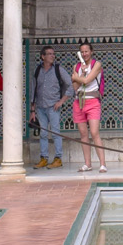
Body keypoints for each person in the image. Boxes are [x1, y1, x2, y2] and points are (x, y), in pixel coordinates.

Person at [71, 41, 108, 173]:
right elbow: (75, 87)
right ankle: (88, 163)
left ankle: (102, 164)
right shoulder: (77, 66)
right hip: (79, 101)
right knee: (83, 134)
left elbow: (88, 81)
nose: (84, 54)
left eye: (86, 51)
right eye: (82, 52)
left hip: (93, 101)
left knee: (94, 132)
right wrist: (80, 75)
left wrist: (78, 78)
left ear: (91, 52)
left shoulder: (96, 65)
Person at [31, 45, 68, 169]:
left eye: (53, 53)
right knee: (43, 133)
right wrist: (32, 109)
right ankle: (44, 158)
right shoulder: (37, 70)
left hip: (53, 107)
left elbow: (70, 85)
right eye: (49, 54)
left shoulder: (58, 69)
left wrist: (61, 101)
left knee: (56, 132)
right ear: (43, 56)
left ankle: (58, 158)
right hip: (41, 107)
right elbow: (33, 90)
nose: (52, 56)